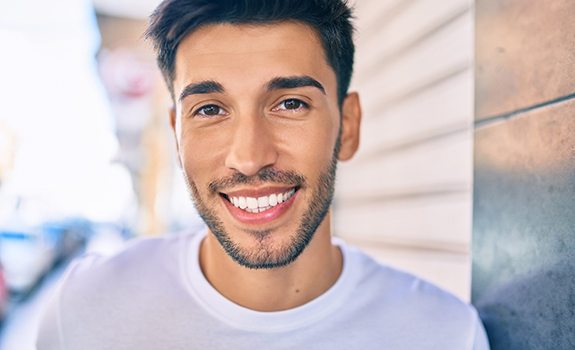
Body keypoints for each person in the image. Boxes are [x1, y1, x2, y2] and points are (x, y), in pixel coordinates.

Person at [37, 0, 490, 349]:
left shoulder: (444, 335)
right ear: (177, 135)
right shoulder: (84, 310)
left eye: (290, 103)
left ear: (347, 126)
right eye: (210, 110)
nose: (251, 157)